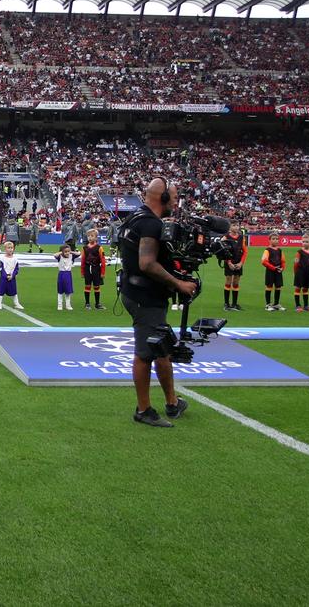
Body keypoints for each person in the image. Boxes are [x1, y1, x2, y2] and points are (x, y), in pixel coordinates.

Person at [117, 177, 198, 429]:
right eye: (173, 196)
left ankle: (172, 402)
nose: (176, 201)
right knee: (144, 354)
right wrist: (179, 283)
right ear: (162, 198)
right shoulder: (151, 223)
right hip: (145, 297)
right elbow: (147, 263)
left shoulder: (136, 217)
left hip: (133, 291)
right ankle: (143, 410)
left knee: (161, 347)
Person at [80, 228, 107, 310]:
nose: (90, 238)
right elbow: (83, 260)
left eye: (92, 236)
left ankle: (97, 304)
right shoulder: (85, 248)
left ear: (96, 238)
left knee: (96, 286)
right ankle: (87, 303)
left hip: (96, 269)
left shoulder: (99, 248)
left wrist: (102, 272)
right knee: (87, 286)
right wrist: (82, 272)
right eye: (88, 236)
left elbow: (103, 260)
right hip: (88, 269)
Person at [220, 226, 246, 312]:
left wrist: (241, 263)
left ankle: (234, 303)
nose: (236, 227)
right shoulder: (226, 237)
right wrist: (229, 262)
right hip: (229, 261)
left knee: (236, 282)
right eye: (234, 225)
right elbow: (224, 251)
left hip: (238, 261)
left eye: (237, 225)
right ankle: (226, 303)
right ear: (230, 227)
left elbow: (245, 251)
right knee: (228, 280)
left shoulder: (241, 237)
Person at [0, 240, 23, 311]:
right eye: (9, 248)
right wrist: (6, 276)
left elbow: (16, 269)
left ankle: (16, 303)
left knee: (13, 291)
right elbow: (1, 269)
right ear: (5, 249)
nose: (10, 249)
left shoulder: (15, 259)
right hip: (4, 278)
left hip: (12, 278)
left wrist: (12, 276)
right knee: (1, 291)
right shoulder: (3, 259)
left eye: (11, 248)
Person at [261, 232, 285, 311]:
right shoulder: (267, 250)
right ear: (269, 240)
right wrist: (273, 267)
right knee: (269, 286)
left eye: (277, 239)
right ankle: (268, 305)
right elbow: (264, 261)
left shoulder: (280, 250)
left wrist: (282, 268)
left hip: (278, 271)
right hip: (270, 271)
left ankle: (276, 304)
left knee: (278, 287)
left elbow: (283, 261)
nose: (275, 240)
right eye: (273, 239)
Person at [292, 234, 309, 313]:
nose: (305, 243)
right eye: (303, 242)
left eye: (307, 242)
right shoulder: (299, 252)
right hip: (300, 272)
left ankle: (306, 306)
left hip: (308, 272)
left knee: (306, 288)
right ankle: (298, 305)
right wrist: (295, 272)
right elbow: (296, 263)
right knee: (298, 288)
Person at [54, 243, 76, 311]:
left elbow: (79, 253)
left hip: (68, 274)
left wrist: (71, 251)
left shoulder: (71, 256)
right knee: (60, 291)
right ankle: (60, 305)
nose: (67, 253)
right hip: (61, 274)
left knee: (68, 291)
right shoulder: (60, 257)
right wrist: (61, 251)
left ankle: (68, 305)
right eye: (65, 252)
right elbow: (55, 255)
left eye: (68, 251)